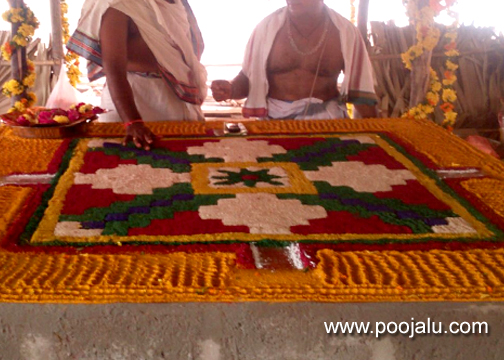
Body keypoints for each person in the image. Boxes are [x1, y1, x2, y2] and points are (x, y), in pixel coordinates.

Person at [67, 0, 207, 150]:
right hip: (134, 99)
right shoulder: (119, 4)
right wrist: (132, 122)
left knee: (183, 162)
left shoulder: (178, 4)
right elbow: (114, 68)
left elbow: (189, 52)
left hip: (174, 94)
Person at [211, 0, 378, 120]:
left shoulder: (346, 33)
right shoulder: (265, 29)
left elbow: (361, 92)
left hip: (327, 121)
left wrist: (375, 134)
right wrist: (231, 89)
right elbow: (249, 79)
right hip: (272, 122)